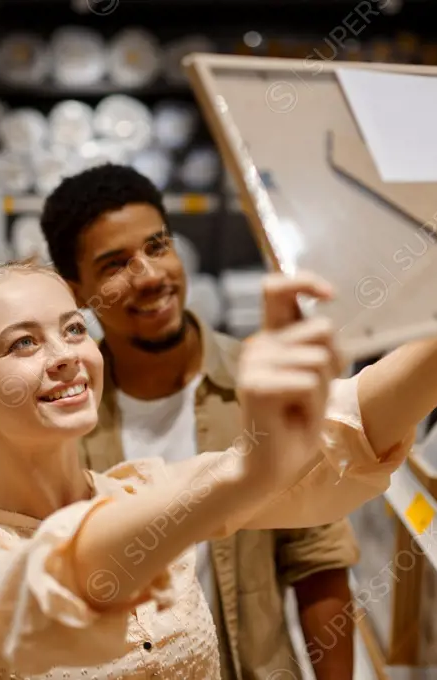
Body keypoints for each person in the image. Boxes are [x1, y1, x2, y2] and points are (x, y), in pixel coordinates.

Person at [0, 158, 437, 680]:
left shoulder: (148, 484)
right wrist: (245, 474)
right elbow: (48, 595)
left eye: (73, 331)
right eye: (23, 343)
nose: (66, 358)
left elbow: (354, 421)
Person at [38, 164, 360, 679]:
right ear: (77, 292)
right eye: (115, 264)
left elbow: (317, 560)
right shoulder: (57, 420)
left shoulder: (262, 389)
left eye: (157, 246)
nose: (149, 276)